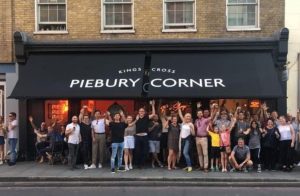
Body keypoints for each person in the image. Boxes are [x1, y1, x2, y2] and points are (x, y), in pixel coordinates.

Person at [135, 100, 156, 169]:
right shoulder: (136, 118)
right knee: (137, 151)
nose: (141, 112)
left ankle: (141, 163)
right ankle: (138, 163)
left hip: (144, 136)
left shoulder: (146, 117)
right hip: (138, 137)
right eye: (140, 111)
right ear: (138, 112)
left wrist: (152, 105)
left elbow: (153, 114)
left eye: (142, 111)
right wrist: (136, 120)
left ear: (144, 112)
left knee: (144, 151)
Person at [194, 107, 213, 172]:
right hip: (197, 138)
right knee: (199, 153)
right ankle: (201, 166)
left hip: (204, 138)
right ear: (197, 114)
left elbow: (211, 117)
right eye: (198, 113)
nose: (199, 114)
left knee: (205, 153)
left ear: (202, 114)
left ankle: (205, 167)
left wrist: (213, 109)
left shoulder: (205, 120)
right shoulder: (196, 121)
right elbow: (195, 129)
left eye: (200, 113)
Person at [178, 102, 195, 172]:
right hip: (182, 139)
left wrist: (191, 128)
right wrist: (179, 107)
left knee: (185, 153)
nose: (188, 117)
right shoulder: (183, 122)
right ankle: (188, 165)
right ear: (185, 117)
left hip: (188, 139)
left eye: (189, 116)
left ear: (190, 118)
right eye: (187, 116)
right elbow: (180, 114)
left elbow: (194, 134)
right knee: (184, 153)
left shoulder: (191, 124)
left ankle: (190, 166)